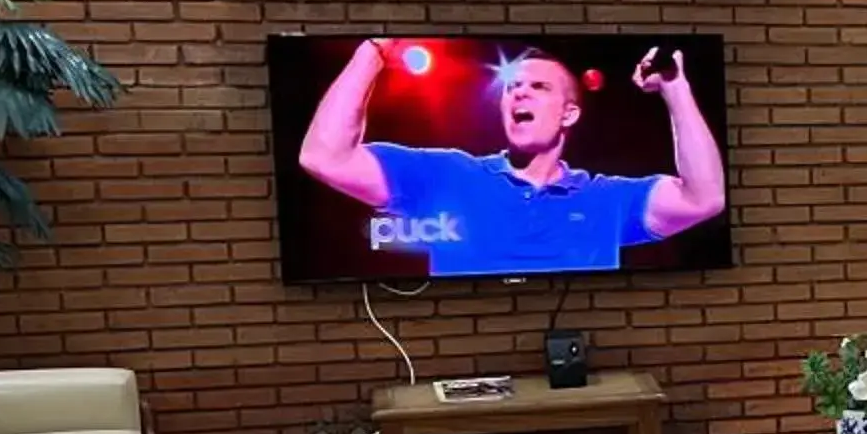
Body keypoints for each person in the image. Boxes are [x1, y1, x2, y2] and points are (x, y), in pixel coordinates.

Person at [296, 39, 726, 276]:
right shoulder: (448, 175)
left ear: (569, 113)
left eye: (538, 87)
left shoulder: (606, 198)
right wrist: (372, 49)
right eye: (511, 87)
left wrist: (675, 91)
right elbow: (325, 156)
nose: (518, 91)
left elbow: (703, 199)